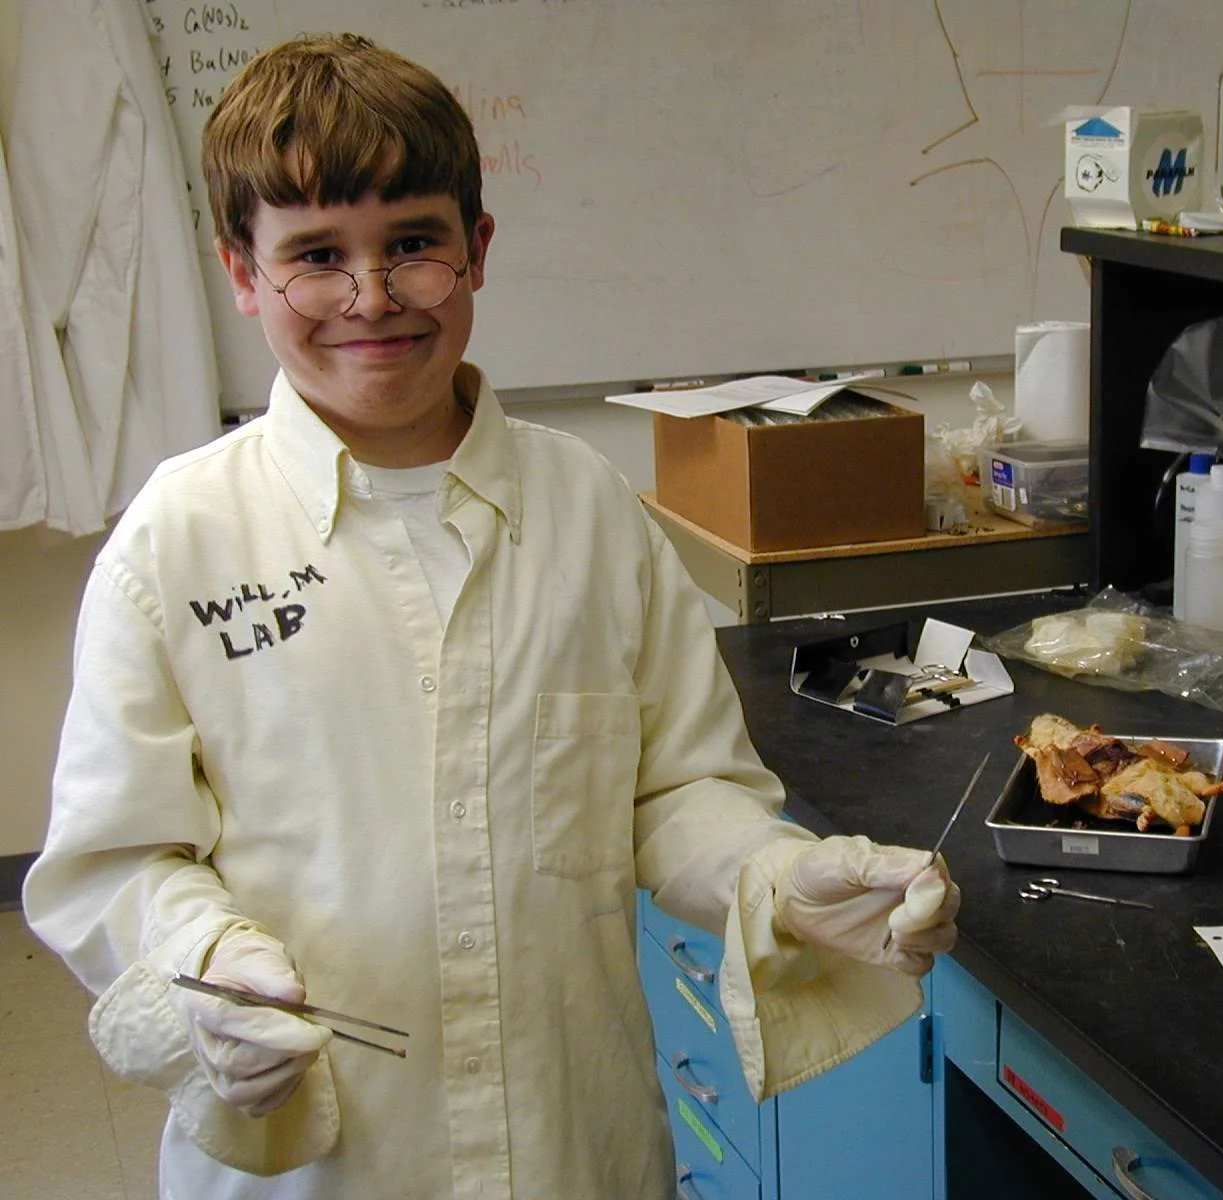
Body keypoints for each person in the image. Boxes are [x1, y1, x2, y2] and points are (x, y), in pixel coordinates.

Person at [22, 33, 960, 1200]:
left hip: (569, 1144)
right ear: (242, 274)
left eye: (412, 244)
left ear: (476, 250)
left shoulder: (587, 515)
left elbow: (673, 793)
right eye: (316, 255)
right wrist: (205, 960)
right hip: (320, 1160)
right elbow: (116, 859)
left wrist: (774, 876)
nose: (371, 297)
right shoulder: (180, 541)